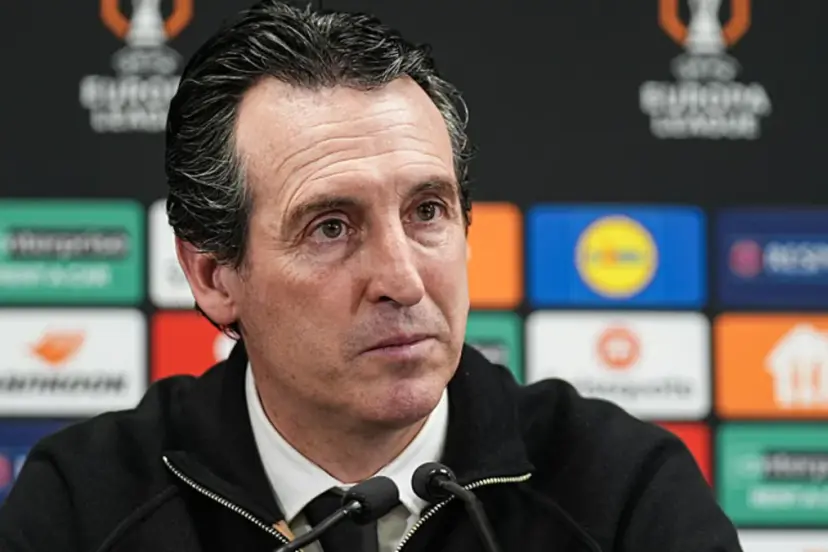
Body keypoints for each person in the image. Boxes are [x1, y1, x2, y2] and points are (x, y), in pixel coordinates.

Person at [0, 1, 744, 551]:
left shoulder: (623, 495)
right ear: (213, 275)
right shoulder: (83, 507)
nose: (403, 280)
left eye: (427, 211)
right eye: (331, 227)